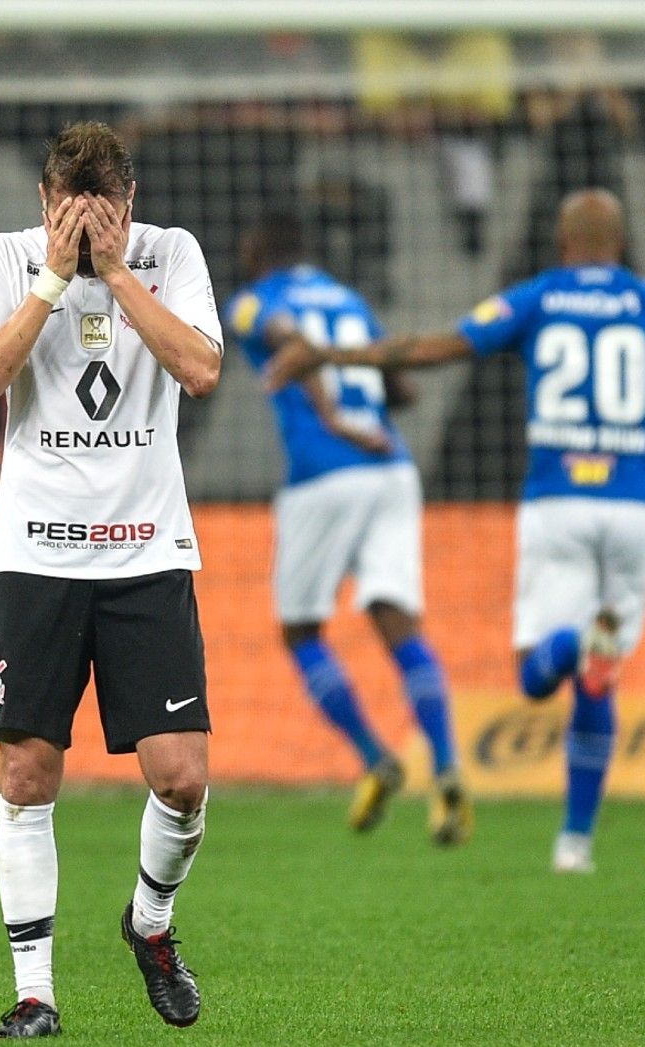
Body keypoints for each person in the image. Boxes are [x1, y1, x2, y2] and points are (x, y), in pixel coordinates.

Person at [266, 188, 645, 873]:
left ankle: (576, 643)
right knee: (600, 682)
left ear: (563, 242)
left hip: (560, 502)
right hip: (639, 507)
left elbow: (431, 350)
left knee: (539, 676)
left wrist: (334, 358)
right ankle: (574, 843)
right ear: (622, 241)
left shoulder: (537, 297)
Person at [0, 121, 222, 1039]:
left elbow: (201, 368)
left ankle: (149, 923)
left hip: (147, 551)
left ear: (127, 205)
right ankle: (36, 994)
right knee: (27, 773)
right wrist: (55, 281)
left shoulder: (170, 254)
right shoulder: (5, 257)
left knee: (181, 778)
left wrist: (116, 274)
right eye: (63, 210)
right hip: (34, 555)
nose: (76, 226)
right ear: (43, 202)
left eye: (98, 213)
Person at [229, 212, 469, 844]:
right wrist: (368, 402)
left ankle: (374, 757)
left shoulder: (254, 301)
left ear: (257, 250)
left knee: (302, 629)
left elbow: (287, 338)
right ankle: (446, 770)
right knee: (399, 626)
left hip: (324, 473)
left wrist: (332, 415)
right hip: (390, 465)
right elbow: (402, 386)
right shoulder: (349, 300)